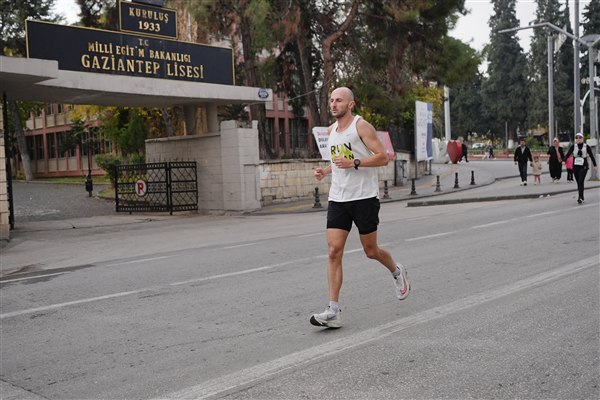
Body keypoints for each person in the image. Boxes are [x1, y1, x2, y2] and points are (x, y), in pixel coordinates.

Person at [311, 87, 410, 329]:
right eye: (331, 100)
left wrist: (355, 162)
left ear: (351, 104)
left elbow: (383, 157)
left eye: (339, 100)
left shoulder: (361, 126)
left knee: (371, 250)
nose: (334, 104)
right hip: (338, 198)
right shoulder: (331, 131)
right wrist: (326, 170)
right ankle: (333, 310)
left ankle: (397, 271)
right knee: (334, 251)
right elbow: (338, 160)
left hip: (364, 197)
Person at [563, 132, 598, 204]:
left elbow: (591, 156)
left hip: (583, 166)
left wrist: (595, 165)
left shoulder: (586, 146)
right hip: (575, 166)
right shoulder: (574, 146)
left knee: (581, 181)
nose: (578, 139)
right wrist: (564, 160)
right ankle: (581, 196)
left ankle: (580, 197)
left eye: (580, 137)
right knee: (578, 182)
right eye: (577, 138)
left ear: (583, 138)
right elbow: (568, 154)